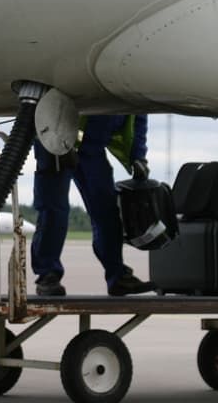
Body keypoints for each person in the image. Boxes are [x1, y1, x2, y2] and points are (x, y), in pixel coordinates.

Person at [30, 114, 153, 297]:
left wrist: (138, 155)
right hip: (56, 141)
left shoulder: (137, 88)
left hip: (92, 146)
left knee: (107, 213)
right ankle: (48, 275)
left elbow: (137, 115)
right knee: (54, 210)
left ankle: (117, 276)